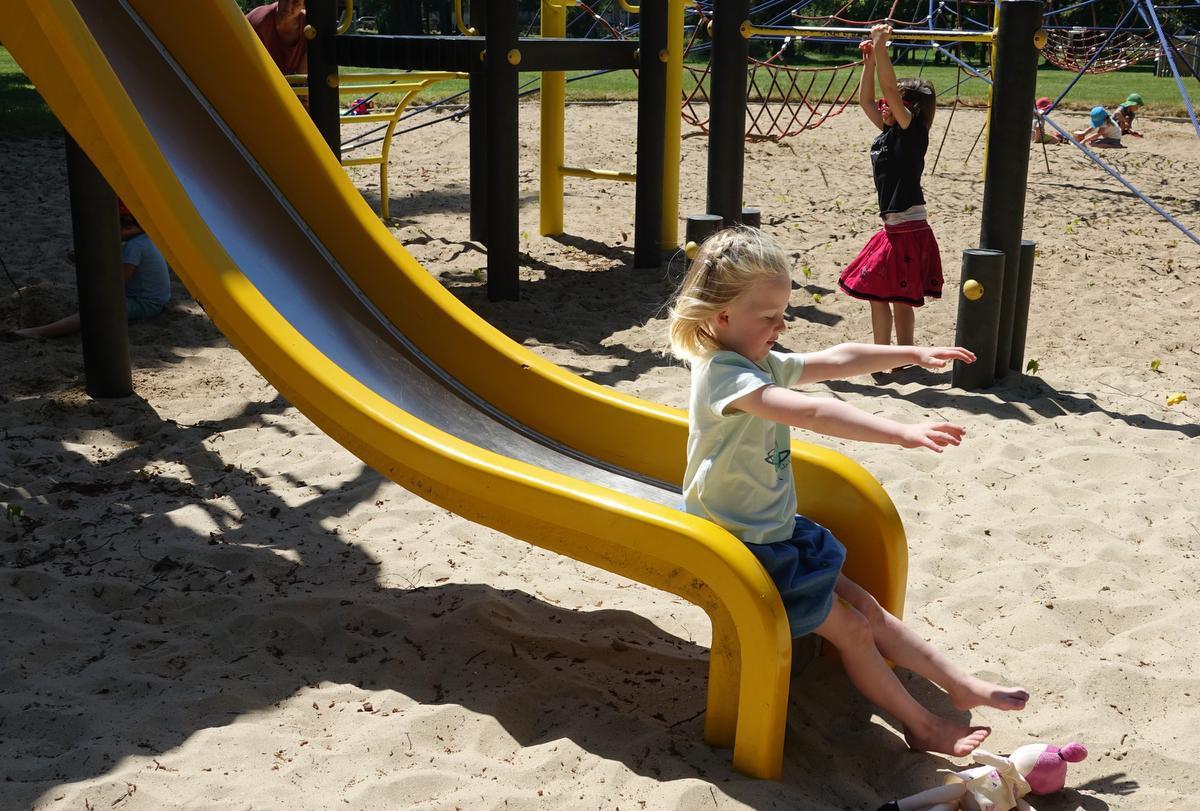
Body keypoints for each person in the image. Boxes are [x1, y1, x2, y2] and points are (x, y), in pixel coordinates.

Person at [667, 227, 1029, 757]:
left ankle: (959, 683)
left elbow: (836, 359)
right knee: (854, 631)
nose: (780, 325)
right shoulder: (724, 375)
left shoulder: (758, 360)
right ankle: (921, 724)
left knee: (870, 610)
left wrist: (909, 352)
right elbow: (811, 410)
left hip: (778, 531)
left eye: (782, 312)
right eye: (768, 317)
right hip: (744, 546)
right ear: (722, 318)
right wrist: (899, 431)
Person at [838, 24, 943, 350]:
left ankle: (902, 353)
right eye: (885, 103)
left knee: (897, 297)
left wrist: (883, 46)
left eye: (891, 102)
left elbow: (887, 91)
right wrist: (869, 61)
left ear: (907, 108)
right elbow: (865, 101)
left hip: (908, 228)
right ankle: (886, 353)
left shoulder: (911, 133)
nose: (883, 106)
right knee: (878, 294)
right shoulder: (888, 133)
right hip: (893, 227)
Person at [12, 203, 171, 339]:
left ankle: (40, 332)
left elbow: (118, 282)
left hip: (146, 303)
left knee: (94, 311)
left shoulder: (134, 247)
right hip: (155, 298)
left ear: (128, 227)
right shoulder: (144, 239)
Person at [245, 0, 308, 76]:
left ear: (304, 5)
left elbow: (303, 72)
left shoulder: (309, 28)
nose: (287, 7)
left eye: (296, 2)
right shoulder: (259, 22)